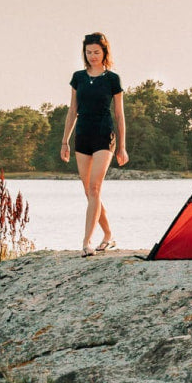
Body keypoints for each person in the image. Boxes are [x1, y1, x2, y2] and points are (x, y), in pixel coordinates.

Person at [60, 32, 129, 257]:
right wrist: (65, 141)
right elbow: (72, 110)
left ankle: (87, 242)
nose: (92, 56)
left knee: (95, 188)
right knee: (89, 192)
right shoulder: (78, 77)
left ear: (104, 52)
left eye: (96, 52)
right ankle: (108, 235)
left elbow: (119, 115)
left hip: (104, 134)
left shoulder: (112, 79)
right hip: (83, 135)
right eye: (89, 52)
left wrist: (122, 146)